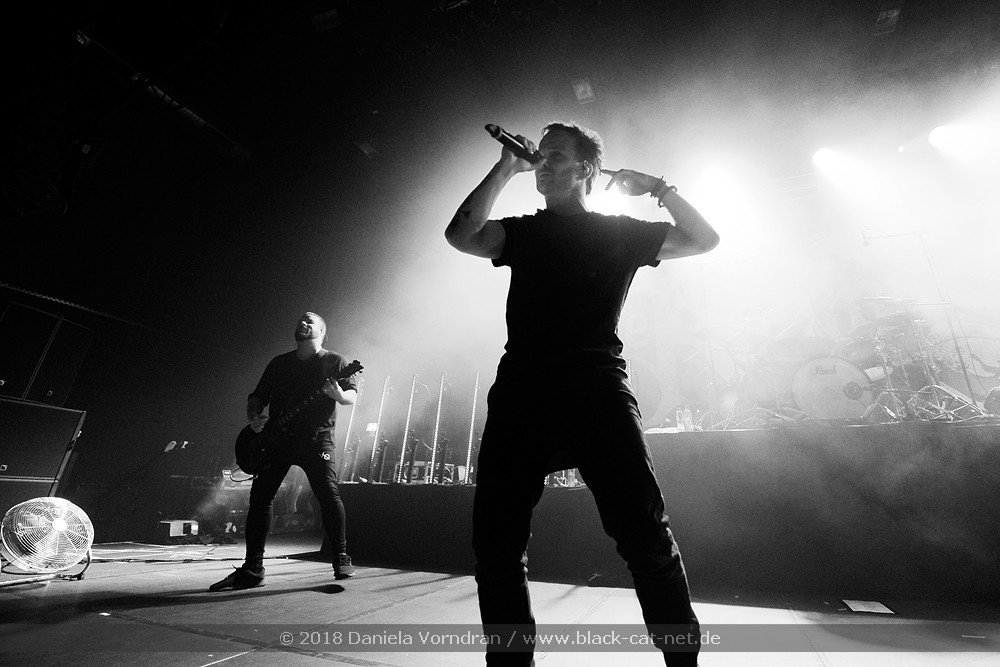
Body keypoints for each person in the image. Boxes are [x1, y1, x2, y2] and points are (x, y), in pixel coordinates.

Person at [445, 122, 719, 666]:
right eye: (540, 156)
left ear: (586, 170)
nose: (542, 164)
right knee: (496, 547)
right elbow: (461, 235)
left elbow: (704, 239)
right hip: (523, 393)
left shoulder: (619, 233)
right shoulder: (523, 232)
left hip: (597, 390)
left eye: (555, 156)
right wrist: (505, 167)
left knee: (645, 536)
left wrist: (659, 188)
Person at [210, 312, 359, 591]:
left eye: (310, 321)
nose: (303, 323)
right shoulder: (279, 363)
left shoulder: (335, 361)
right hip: (278, 440)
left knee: (328, 494)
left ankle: (340, 557)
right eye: (301, 320)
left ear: (322, 331)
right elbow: (258, 396)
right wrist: (254, 416)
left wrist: (339, 395)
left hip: (317, 440)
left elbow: (351, 395)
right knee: (260, 499)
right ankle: (253, 568)